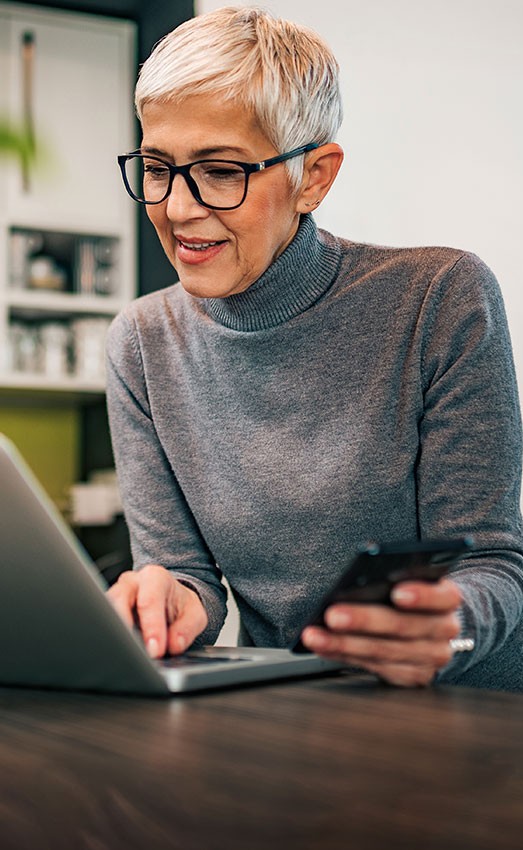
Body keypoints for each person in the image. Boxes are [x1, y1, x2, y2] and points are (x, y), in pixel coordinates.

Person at [106, 5, 523, 690]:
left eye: (220, 171)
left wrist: (446, 624)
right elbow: (188, 581)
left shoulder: (439, 296)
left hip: (471, 711)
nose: (177, 208)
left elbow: (493, 565)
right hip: (296, 713)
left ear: (315, 177)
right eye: (157, 167)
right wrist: (169, 602)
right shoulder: (142, 344)